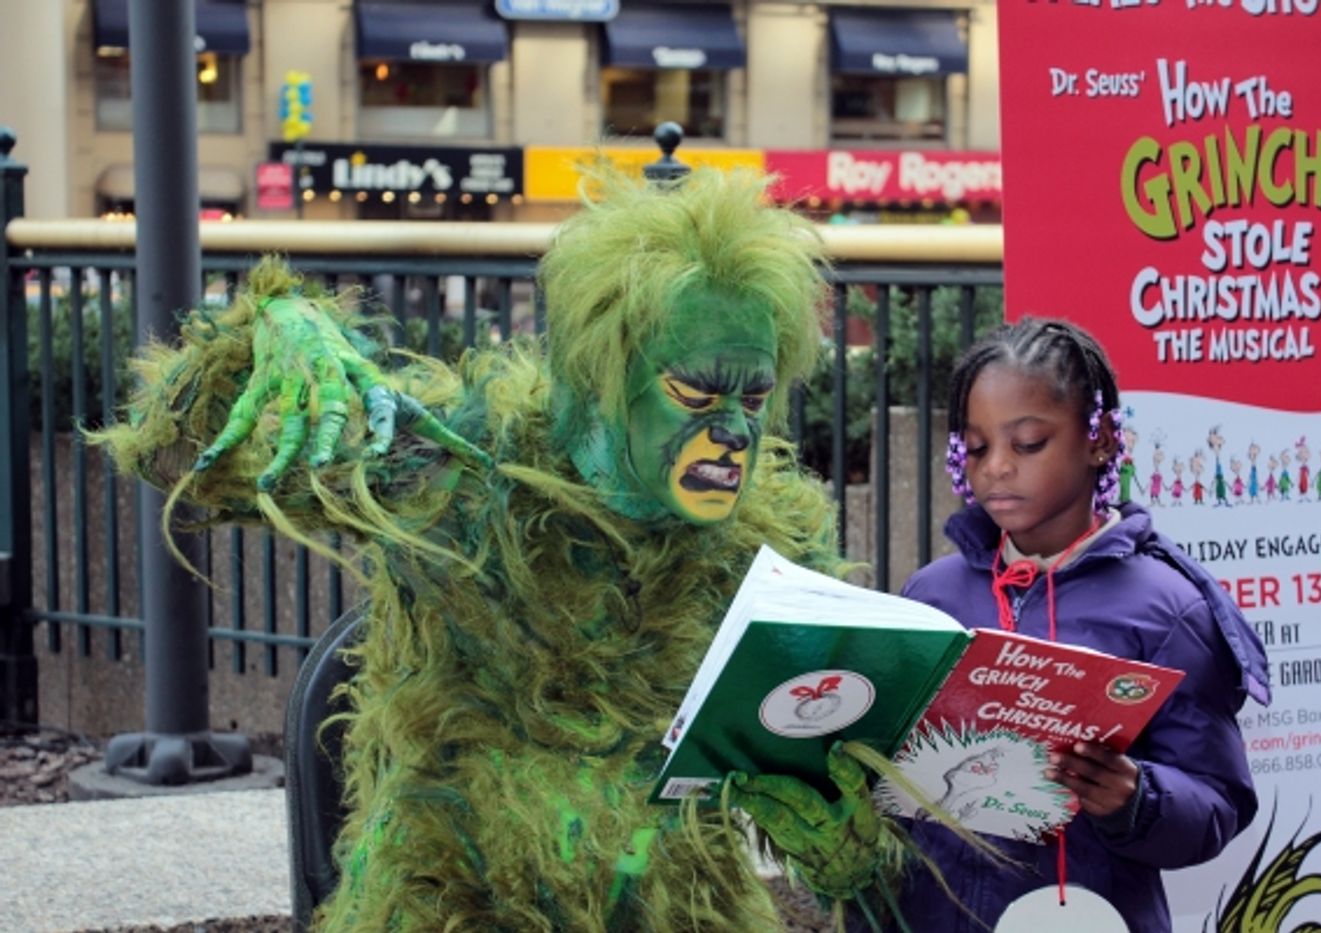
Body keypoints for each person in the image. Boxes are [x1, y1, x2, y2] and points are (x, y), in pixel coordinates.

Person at [96, 167, 952, 931]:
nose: (732, 431)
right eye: (694, 393)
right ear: (602, 375)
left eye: (753, 399)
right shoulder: (460, 471)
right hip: (452, 896)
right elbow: (172, 458)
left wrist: (842, 840)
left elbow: (840, 815)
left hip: (680, 905)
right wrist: (272, 334)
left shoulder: (772, 544)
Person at [898, 317, 1270, 932]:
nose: (996, 468)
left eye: (1027, 443)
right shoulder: (931, 594)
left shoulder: (1168, 609)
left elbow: (1218, 802)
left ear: (1099, 439)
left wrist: (1137, 799)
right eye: (978, 447)